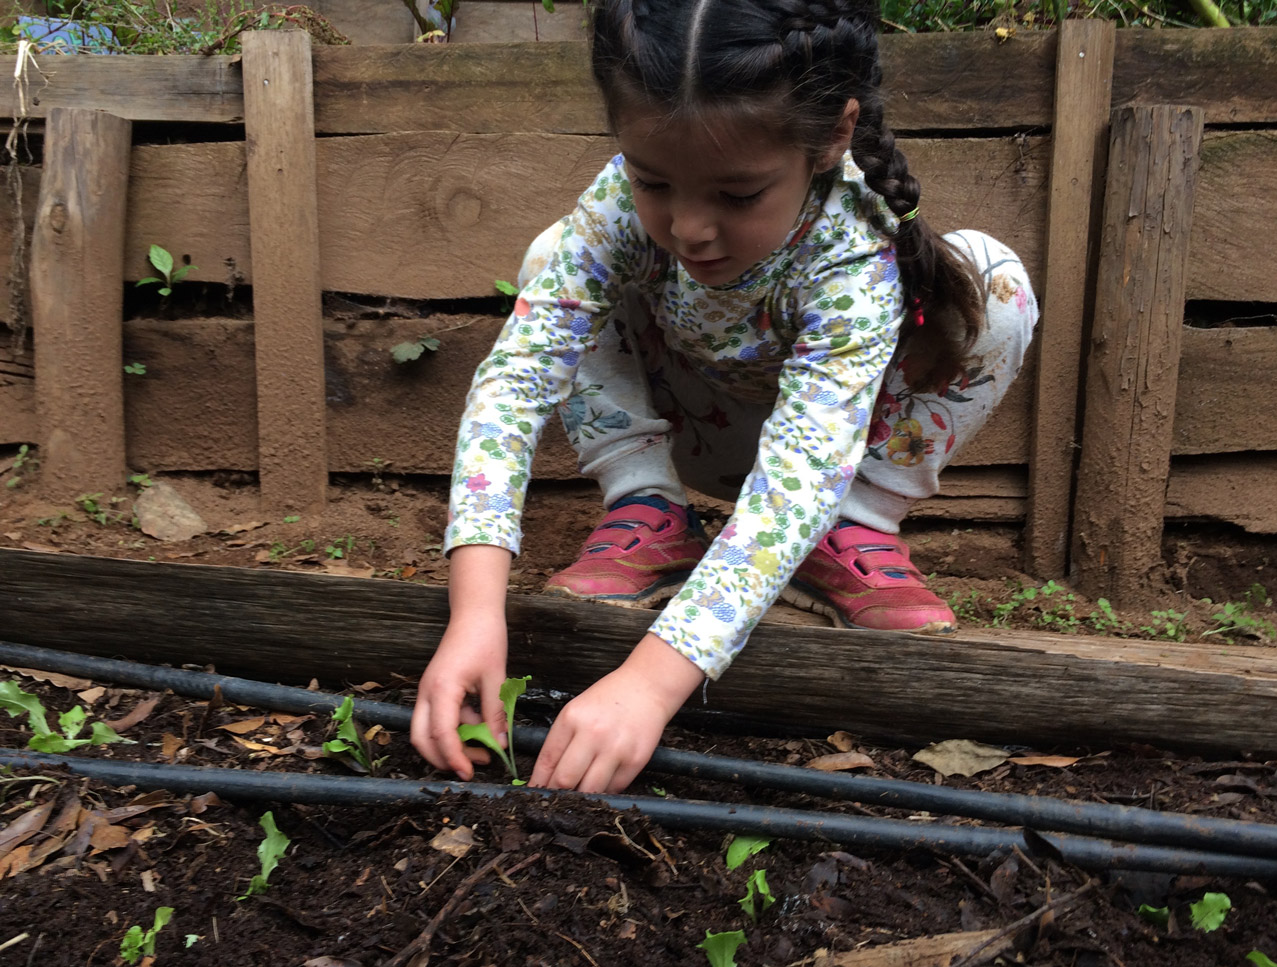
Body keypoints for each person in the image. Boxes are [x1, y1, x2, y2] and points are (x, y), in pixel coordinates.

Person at [409, 0, 1038, 795]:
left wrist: (648, 683)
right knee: (551, 261)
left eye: (737, 196)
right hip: (686, 424)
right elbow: (518, 375)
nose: (689, 227)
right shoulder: (619, 209)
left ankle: (853, 529)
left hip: (825, 462)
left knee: (995, 283)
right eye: (653, 180)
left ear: (834, 135)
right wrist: (474, 613)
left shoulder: (853, 249)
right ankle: (647, 508)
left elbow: (797, 478)